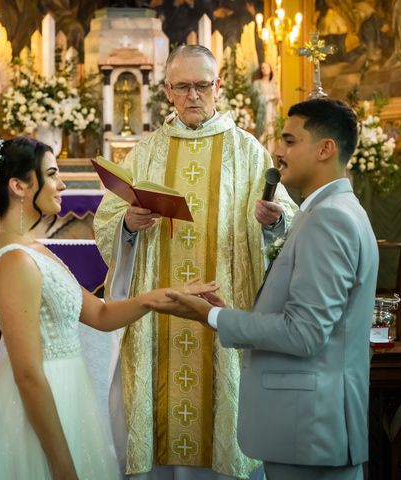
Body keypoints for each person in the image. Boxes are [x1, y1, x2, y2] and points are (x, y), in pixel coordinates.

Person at [0, 134, 217, 479]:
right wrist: (61, 465)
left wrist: (161, 297)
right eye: (53, 173)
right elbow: (27, 374)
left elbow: (101, 316)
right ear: (19, 185)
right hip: (36, 411)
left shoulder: (33, 249)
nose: (61, 184)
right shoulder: (13, 260)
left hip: (69, 396)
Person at [146, 98, 379, 480]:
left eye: (289, 140)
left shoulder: (330, 218)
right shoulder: (330, 210)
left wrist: (212, 315)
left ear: (325, 149)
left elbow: (305, 333)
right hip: (310, 428)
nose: (278, 151)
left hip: (308, 429)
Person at [94, 45, 297, 479]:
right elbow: (108, 221)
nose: (193, 95)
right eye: (182, 87)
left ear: (217, 87)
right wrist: (128, 222)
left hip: (226, 310)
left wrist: (271, 221)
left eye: (202, 85)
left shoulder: (248, 152)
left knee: (222, 413)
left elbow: (286, 223)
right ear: (167, 91)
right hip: (157, 322)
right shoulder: (146, 152)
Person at [252, 62, 280, 143]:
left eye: (267, 67)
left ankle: (271, 153)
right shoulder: (257, 83)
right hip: (263, 112)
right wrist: (270, 97)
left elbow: (278, 100)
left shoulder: (274, 85)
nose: (265, 69)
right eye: (262, 68)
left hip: (272, 112)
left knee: (272, 131)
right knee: (263, 133)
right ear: (260, 70)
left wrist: (277, 98)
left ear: (270, 69)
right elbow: (256, 99)